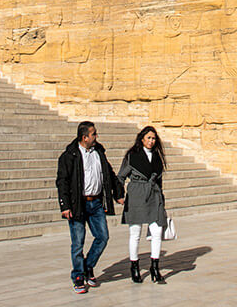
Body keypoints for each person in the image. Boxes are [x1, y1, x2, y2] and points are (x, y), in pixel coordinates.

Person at [56, 121, 124, 294]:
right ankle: (78, 275)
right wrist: (64, 205)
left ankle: (88, 266)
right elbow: (62, 182)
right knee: (77, 243)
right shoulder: (69, 155)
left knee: (103, 237)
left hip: (96, 203)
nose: (96, 137)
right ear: (84, 137)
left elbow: (109, 174)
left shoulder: (98, 152)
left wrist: (118, 194)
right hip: (78, 204)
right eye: (94, 134)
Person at [117, 126, 168, 284]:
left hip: (154, 195)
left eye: (153, 138)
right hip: (137, 194)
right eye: (148, 138)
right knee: (135, 233)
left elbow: (159, 181)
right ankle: (134, 266)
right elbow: (120, 176)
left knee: (157, 231)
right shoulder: (132, 156)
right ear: (142, 139)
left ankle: (154, 266)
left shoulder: (158, 157)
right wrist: (119, 195)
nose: (151, 141)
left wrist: (162, 201)